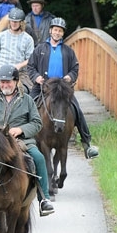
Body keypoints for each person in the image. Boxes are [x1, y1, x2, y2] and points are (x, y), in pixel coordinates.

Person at [0, 65, 55, 216]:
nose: (5, 85)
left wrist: (21, 130)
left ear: (16, 81)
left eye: (9, 82)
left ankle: (44, 198)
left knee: (38, 158)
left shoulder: (26, 100)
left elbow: (36, 123)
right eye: (2, 82)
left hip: (21, 141)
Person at [26, 17, 99, 159]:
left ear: (62, 33)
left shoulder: (68, 51)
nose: (57, 33)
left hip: (61, 87)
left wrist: (70, 77)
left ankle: (87, 144)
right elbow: (30, 66)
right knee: (27, 105)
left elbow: (75, 68)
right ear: (50, 31)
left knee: (77, 110)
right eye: (55, 30)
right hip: (43, 85)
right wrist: (36, 77)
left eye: (60, 31)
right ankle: (24, 140)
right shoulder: (40, 49)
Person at [0, 8, 34, 92]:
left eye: (16, 21)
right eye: (12, 21)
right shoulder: (1, 36)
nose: (13, 23)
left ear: (21, 22)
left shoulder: (28, 39)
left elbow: (30, 59)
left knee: (24, 91)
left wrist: (19, 65)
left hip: (19, 73)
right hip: (0, 71)